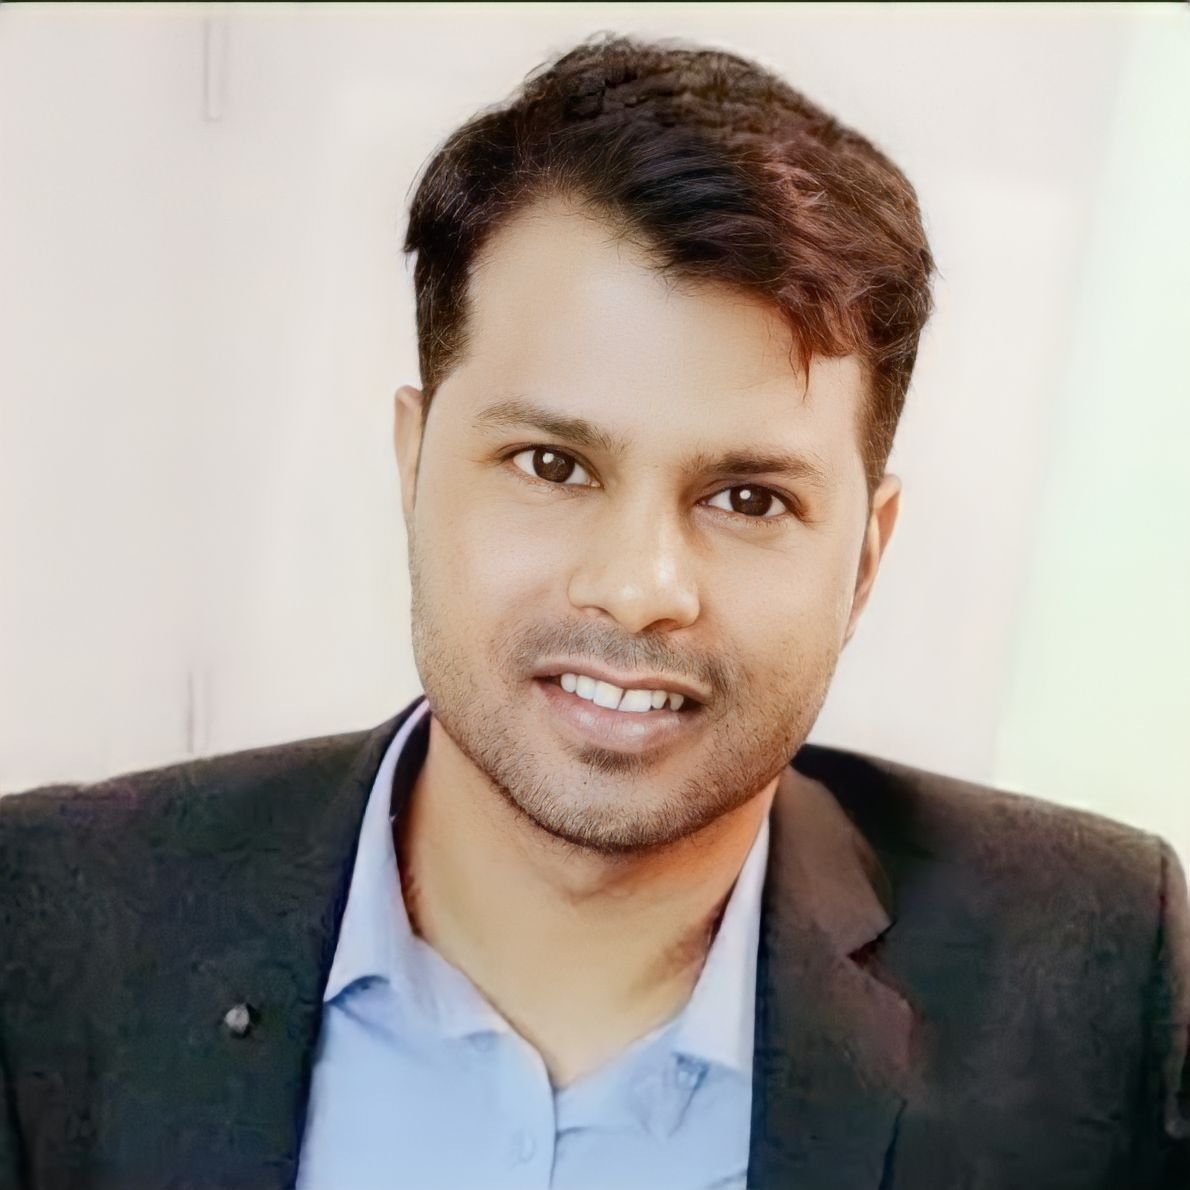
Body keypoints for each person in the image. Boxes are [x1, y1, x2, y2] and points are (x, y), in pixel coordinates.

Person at [1, 30, 1187, 1190]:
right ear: (414, 464)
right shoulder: (47, 928)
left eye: (747, 497)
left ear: (864, 557)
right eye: (551, 465)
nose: (636, 585)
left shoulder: (1091, 973)